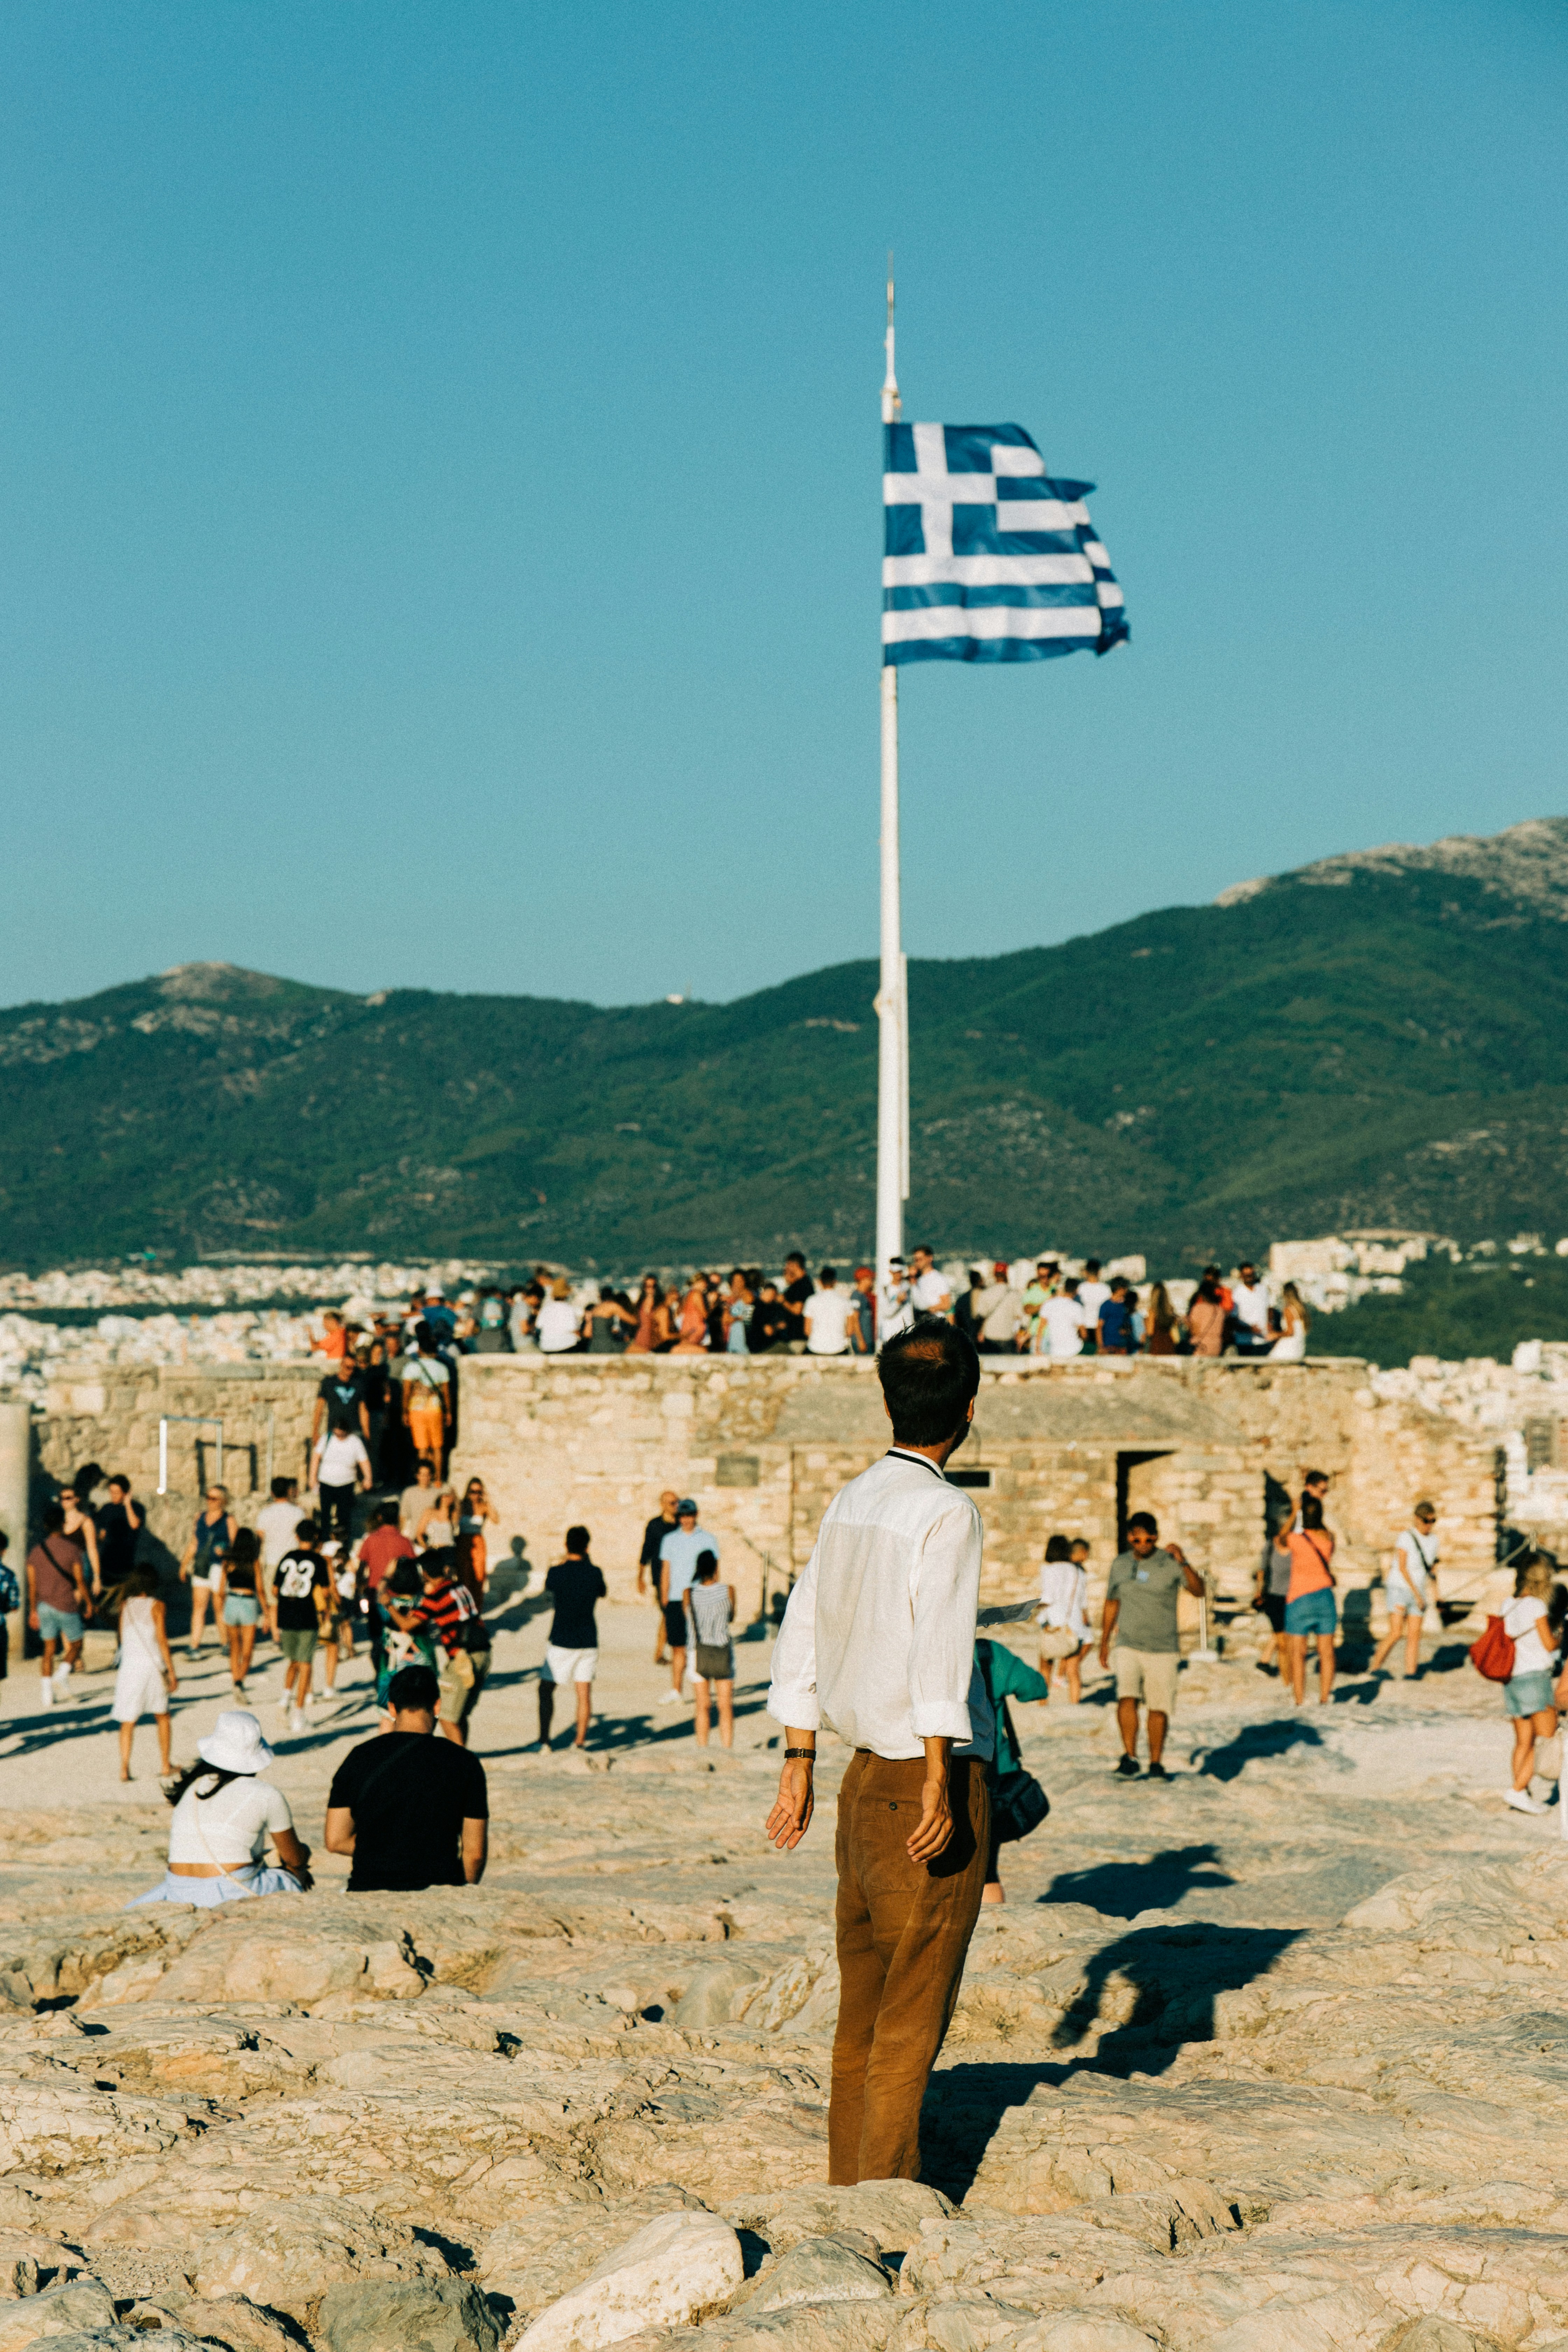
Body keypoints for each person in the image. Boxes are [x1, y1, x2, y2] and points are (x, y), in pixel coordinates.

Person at [765, 1319, 987, 2188]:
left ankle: (846, 2184)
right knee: (910, 2012)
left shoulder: (852, 1499)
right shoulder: (946, 1510)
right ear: (967, 1411)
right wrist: (938, 1776)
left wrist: (797, 1758)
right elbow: (940, 1648)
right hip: (917, 1775)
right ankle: (888, 2196)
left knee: (860, 2006)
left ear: (889, 1401)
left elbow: (802, 1625)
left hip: (856, 1781)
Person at [325, 1664, 488, 1889]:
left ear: (392, 1709)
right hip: (438, 1886)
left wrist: (389, 1852)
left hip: (370, 1886)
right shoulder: (465, 1762)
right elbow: (475, 1854)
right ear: (437, 1706)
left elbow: (335, 1841)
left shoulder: (360, 1757)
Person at [133, 1712, 310, 1906]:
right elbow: (294, 1859)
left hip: (178, 1888)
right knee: (294, 1872)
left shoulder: (192, 1787)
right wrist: (305, 1854)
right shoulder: (267, 1794)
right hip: (230, 1889)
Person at [1099, 1513, 1205, 1779]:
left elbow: (1199, 1591)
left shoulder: (1170, 1563)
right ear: (1129, 1538)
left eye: (1149, 1539)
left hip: (1163, 1648)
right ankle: (1130, 1757)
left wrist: (1184, 1562)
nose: (1143, 1544)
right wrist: (1104, 1641)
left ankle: (1156, 1763)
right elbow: (1112, 1602)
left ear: (1156, 1537)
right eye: (1137, 1539)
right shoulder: (1120, 1564)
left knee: (1159, 1707)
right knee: (1127, 1697)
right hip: (1128, 1644)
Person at [382, 1554, 491, 1747]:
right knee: (459, 1714)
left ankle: (460, 1760)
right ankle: (463, 1752)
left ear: (425, 1573)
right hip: (483, 1653)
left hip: (463, 1658)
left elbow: (406, 1625)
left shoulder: (436, 1598)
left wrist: (388, 1605)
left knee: (447, 1716)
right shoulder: (459, 1587)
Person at [971, 1636, 1049, 1903]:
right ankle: (993, 1925)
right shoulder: (987, 1653)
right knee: (986, 1871)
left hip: (925, 1774)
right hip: (991, 1773)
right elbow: (1035, 1688)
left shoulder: (914, 1647)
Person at [1502, 1553, 1561, 1814]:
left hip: (1512, 1678)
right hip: (1535, 1678)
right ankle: (1517, 1791)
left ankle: (1521, 1792)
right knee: (1547, 1738)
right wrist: (1560, 1637)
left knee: (1523, 1741)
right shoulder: (1537, 1606)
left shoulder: (1508, 1604)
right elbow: (1549, 1645)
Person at [539, 1525, 607, 1750]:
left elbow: (549, 1586)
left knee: (546, 1689)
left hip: (562, 1639)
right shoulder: (595, 1573)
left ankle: (545, 1741)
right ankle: (580, 1742)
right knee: (584, 1693)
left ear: (566, 1545)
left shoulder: (557, 1572)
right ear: (587, 1547)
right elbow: (602, 1592)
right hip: (588, 1639)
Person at [110, 1566, 177, 1781]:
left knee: (128, 1720)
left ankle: (124, 1768)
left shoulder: (125, 1606)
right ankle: (165, 1764)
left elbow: (122, 1638)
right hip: (152, 1666)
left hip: (130, 1668)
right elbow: (162, 1641)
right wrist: (171, 1671)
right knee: (162, 1715)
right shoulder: (158, 1606)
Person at [27, 1504, 93, 1708]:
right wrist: (89, 1602)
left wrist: (33, 1610)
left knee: (48, 1650)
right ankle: (62, 1675)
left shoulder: (36, 1552)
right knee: (77, 1644)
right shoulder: (73, 1550)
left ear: (46, 1527)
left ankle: (47, 1694)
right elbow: (80, 1580)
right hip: (66, 1604)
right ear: (63, 1524)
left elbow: (32, 1586)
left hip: (44, 1605)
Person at [1370, 1499, 1440, 1681]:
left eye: (1433, 1521)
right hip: (1400, 1588)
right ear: (1417, 1519)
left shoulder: (1434, 1541)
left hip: (1419, 1590)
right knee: (1396, 1632)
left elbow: (1432, 1570)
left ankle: (1411, 1672)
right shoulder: (1406, 1537)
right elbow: (1402, 1567)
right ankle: (1375, 1667)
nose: (1429, 1525)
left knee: (1415, 1635)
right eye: (1426, 1521)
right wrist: (1417, 1594)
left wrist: (1437, 1595)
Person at [274, 1520, 332, 1731]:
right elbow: (325, 1591)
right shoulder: (318, 1560)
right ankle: (299, 1715)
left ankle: (285, 1699)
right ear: (315, 1538)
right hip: (307, 1616)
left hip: (287, 1615)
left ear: (297, 1536)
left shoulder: (288, 1557)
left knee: (294, 1660)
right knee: (306, 1663)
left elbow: (275, 1589)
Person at [658, 1499, 716, 1706]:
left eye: (689, 1516)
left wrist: (712, 1594)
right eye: (682, 1516)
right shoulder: (670, 1540)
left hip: (699, 1596)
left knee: (701, 1646)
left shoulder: (708, 1539)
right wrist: (664, 1596)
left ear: (696, 1515)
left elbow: (714, 1570)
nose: (686, 1520)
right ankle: (677, 1690)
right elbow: (666, 1569)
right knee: (678, 1647)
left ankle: (702, 1691)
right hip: (675, 1597)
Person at [1281, 1496, 1337, 1705]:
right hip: (1324, 1597)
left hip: (1299, 1598)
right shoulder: (1330, 1538)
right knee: (1327, 1652)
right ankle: (1324, 1698)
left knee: (1298, 1654)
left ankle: (1299, 1700)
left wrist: (1294, 1513)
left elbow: (1281, 1539)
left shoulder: (1296, 1540)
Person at [359, 1502, 416, 1698]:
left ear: (380, 1517)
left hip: (375, 1597)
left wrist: (360, 1591)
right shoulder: (404, 1542)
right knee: (398, 1639)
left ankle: (381, 1676)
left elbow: (361, 1568)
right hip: (399, 1599)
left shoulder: (371, 1540)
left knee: (377, 1640)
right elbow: (412, 1568)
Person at [687, 1548, 737, 1749]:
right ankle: (727, 1748)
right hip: (723, 1650)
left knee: (703, 1705)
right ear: (716, 1568)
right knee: (725, 1705)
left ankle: (703, 1748)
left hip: (698, 1651)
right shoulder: (729, 1590)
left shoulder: (689, 1593)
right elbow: (731, 1617)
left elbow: (689, 1620)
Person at [179, 1486, 238, 1656]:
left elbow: (236, 1546)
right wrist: (184, 1564)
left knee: (219, 1606)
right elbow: (194, 1543)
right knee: (199, 1607)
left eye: (214, 1498)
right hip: (202, 1565)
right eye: (208, 1497)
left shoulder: (229, 1520)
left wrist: (226, 1554)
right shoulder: (200, 1517)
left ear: (223, 1501)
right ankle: (194, 1646)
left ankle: (226, 1643)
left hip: (220, 1567)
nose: (209, 1501)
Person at [1037, 1534, 1091, 1702]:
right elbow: (1082, 1599)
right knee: (1073, 1670)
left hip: (1053, 1623)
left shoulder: (1049, 1570)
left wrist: (1035, 1610)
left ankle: (1043, 1704)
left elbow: (1048, 1598)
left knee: (1046, 1668)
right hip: (1073, 1624)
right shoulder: (1078, 1571)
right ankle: (1074, 1705)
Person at [214, 1527, 263, 1697]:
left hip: (232, 1602)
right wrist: (267, 1612)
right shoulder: (254, 1562)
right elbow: (260, 1589)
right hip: (249, 1603)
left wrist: (224, 1605)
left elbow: (221, 1590)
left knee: (234, 1648)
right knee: (248, 1652)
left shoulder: (228, 1562)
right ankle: (239, 1682)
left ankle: (236, 1680)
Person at [313, 1420, 372, 1548]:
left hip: (346, 1483)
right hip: (326, 1482)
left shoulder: (355, 1442)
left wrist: (368, 1478)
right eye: (337, 1434)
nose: (339, 1437)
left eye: (341, 1435)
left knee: (344, 1514)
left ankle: (344, 1543)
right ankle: (325, 1541)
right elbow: (316, 1458)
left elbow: (364, 1461)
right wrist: (312, 1478)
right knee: (325, 1514)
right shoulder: (327, 1438)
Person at [401, 1330, 452, 1472]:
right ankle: (438, 1479)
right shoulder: (442, 1368)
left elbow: (406, 1393)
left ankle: (423, 1477)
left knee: (422, 1448)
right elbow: (446, 1394)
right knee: (437, 1447)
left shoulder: (411, 1367)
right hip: (435, 1409)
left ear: (420, 1350)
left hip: (417, 1410)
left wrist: (404, 1412)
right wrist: (448, 1412)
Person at [256, 1476, 300, 1641]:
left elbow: (259, 1539)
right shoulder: (298, 1512)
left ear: (272, 1493)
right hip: (293, 1562)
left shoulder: (265, 1513)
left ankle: (276, 1637)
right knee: (292, 1600)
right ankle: (291, 1634)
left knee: (273, 1602)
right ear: (289, 1491)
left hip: (272, 1561)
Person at [639, 1491, 680, 1663]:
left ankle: (670, 1651)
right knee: (668, 1613)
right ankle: (661, 1653)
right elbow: (646, 1551)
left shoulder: (682, 1524)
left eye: (677, 1502)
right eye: (672, 1503)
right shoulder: (654, 1525)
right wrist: (640, 1577)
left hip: (680, 1576)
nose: (676, 1506)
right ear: (663, 1505)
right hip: (660, 1577)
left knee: (673, 1614)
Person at [1253, 1515, 1293, 1675]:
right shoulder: (1270, 1546)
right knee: (1282, 1636)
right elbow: (1262, 1570)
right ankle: (1287, 1674)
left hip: (1292, 1597)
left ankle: (1264, 1661)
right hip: (1274, 1597)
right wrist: (1258, 1592)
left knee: (1280, 1632)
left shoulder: (1296, 1547)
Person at [94, 1476, 143, 1598]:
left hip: (126, 1564)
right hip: (107, 1563)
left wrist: (128, 1504)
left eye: (117, 1493)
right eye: (111, 1492)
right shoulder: (107, 1509)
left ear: (126, 1493)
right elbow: (102, 1535)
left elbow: (135, 1525)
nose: (113, 1496)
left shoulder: (137, 1508)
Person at [311, 1359, 369, 1458]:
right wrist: (316, 1432)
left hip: (354, 1430)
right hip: (335, 1430)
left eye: (353, 1368)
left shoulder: (359, 1384)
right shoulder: (329, 1383)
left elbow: (363, 1411)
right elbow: (319, 1408)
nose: (350, 1371)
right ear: (342, 1365)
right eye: (348, 1367)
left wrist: (367, 1435)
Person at [456, 1478, 498, 1599]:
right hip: (463, 1541)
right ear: (468, 1491)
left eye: (479, 1492)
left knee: (479, 1575)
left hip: (478, 1541)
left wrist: (489, 1500)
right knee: (464, 1575)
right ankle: (465, 1605)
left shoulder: (483, 1506)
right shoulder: (462, 1505)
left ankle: (477, 1606)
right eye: (473, 1492)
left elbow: (496, 1520)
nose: (476, 1495)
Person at [805, 1267, 856, 1357]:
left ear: (820, 1282)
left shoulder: (811, 1301)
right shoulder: (845, 1301)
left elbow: (807, 1330)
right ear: (835, 1282)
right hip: (839, 1349)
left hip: (815, 1348)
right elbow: (850, 1330)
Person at [975, 1264, 1023, 1353]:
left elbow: (981, 1315)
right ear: (1006, 1275)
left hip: (990, 1336)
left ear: (994, 1275)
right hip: (1008, 1336)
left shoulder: (986, 1293)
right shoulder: (1014, 1294)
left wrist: (980, 1332)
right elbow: (1019, 1317)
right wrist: (1018, 1334)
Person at [1037, 1279, 1088, 1361]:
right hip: (1075, 1349)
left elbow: (1040, 1328)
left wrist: (1038, 1348)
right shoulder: (1077, 1307)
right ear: (1077, 1290)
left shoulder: (1048, 1304)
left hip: (1054, 1351)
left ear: (1064, 1288)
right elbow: (1084, 1334)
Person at [1230, 1262, 1273, 1355]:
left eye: (1251, 1274)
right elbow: (1233, 1320)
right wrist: (1250, 1329)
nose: (1249, 1277)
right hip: (1244, 1342)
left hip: (1264, 1340)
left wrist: (1270, 1322)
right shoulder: (1236, 1293)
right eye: (1246, 1275)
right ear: (1241, 1276)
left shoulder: (1263, 1290)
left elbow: (1269, 1308)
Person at [908, 1245, 953, 1323]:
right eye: (916, 1260)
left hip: (935, 1323)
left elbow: (947, 1304)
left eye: (920, 1259)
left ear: (930, 1258)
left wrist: (928, 1310)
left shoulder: (939, 1279)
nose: (917, 1262)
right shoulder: (918, 1280)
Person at [1186, 1272, 1227, 1357]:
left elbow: (1195, 1331)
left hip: (1201, 1348)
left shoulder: (1198, 1308)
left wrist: (1187, 1322)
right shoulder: (1220, 1310)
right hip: (1217, 1347)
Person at [537, 1281, 583, 1355]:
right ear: (566, 1294)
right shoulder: (569, 1309)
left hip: (546, 1347)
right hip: (566, 1347)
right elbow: (574, 1329)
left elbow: (539, 1326)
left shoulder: (546, 1308)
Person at [748, 1281, 795, 1353]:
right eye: (772, 1295)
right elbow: (769, 1331)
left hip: (754, 1347)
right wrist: (778, 1327)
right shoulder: (762, 1308)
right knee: (786, 1349)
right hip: (763, 1348)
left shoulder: (755, 1305)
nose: (773, 1298)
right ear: (764, 1292)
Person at [780, 1253, 814, 1346]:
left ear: (794, 1265)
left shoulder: (802, 1286)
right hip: (795, 1337)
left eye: (788, 1265)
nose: (787, 1268)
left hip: (798, 1338)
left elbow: (797, 1310)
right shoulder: (803, 1284)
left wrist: (783, 1301)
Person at [1097, 1279, 1138, 1356]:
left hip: (1123, 1346)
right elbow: (1100, 1327)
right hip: (1108, 1346)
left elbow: (1130, 1325)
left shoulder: (1126, 1305)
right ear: (1120, 1289)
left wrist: (1127, 1331)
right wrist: (1101, 1347)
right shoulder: (1106, 1306)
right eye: (1125, 1288)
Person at [1271, 1283, 1310, 1361]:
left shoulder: (1289, 1310)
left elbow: (1290, 1332)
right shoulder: (1302, 1310)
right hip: (1299, 1347)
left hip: (1289, 1347)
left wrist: (1275, 1335)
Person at [880, 1256, 914, 1342]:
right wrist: (898, 1302)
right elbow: (886, 1313)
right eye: (895, 1272)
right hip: (890, 1337)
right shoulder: (885, 1290)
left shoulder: (909, 1287)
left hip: (907, 1335)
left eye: (900, 1272)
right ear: (891, 1272)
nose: (898, 1275)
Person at [625, 1273, 662, 1354]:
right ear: (644, 1287)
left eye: (653, 1286)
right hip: (641, 1336)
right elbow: (635, 1322)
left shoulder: (660, 1304)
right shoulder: (640, 1304)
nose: (651, 1289)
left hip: (655, 1337)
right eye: (648, 1286)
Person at [400, 1459, 439, 1535]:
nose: (425, 1478)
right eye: (423, 1475)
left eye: (428, 1475)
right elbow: (403, 1516)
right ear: (417, 1476)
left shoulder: (437, 1493)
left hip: (432, 1535)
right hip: (413, 1535)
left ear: (432, 1476)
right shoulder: (409, 1493)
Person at [1076, 1261, 1111, 1344]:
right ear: (1099, 1272)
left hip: (1084, 1327)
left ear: (1086, 1272)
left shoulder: (1080, 1288)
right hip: (1101, 1327)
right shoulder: (1106, 1289)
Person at [1145, 1282, 1182, 1356]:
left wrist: (1146, 1322)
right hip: (1170, 1346)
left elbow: (1150, 1332)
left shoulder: (1152, 1312)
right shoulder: (1170, 1310)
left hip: (1157, 1347)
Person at [723, 1269, 755, 1356]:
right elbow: (726, 1320)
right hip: (732, 1339)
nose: (738, 1284)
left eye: (740, 1281)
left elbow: (747, 1317)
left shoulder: (748, 1296)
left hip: (743, 1338)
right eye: (735, 1281)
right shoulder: (731, 1300)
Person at [849, 1267, 877, 1354]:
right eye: (870, 1279)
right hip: (863, 1342)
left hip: (868, 1340)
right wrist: (861, 1341)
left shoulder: (864, 1296)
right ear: (863, 1280)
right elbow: (855, 1319)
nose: (872, 1282)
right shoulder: (857, 1297)